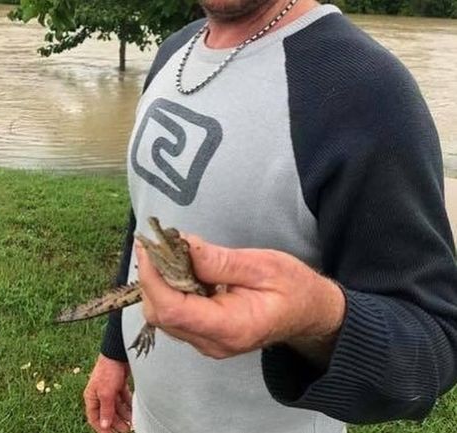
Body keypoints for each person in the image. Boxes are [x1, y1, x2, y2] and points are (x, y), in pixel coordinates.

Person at [83, 1, 457, 432]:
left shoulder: (368, 91)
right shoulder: (175, 51)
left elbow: (432, 346)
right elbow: (146, 215)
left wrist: (317, 316)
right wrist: (115, 352)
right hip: (150, 418)